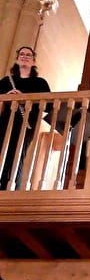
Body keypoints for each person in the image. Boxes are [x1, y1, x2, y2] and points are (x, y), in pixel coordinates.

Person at [0, 46, 51, 190]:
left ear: (33, 61)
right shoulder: (6, 81)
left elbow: (48, 105)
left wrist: (24, 98)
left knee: (17, 154)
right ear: (17, 59)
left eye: (29, 55)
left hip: (26, 125)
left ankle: (10, 188)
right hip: (4, 123)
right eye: (22, 54)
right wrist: (6, 97)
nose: (25, 56)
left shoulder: (40, 83)